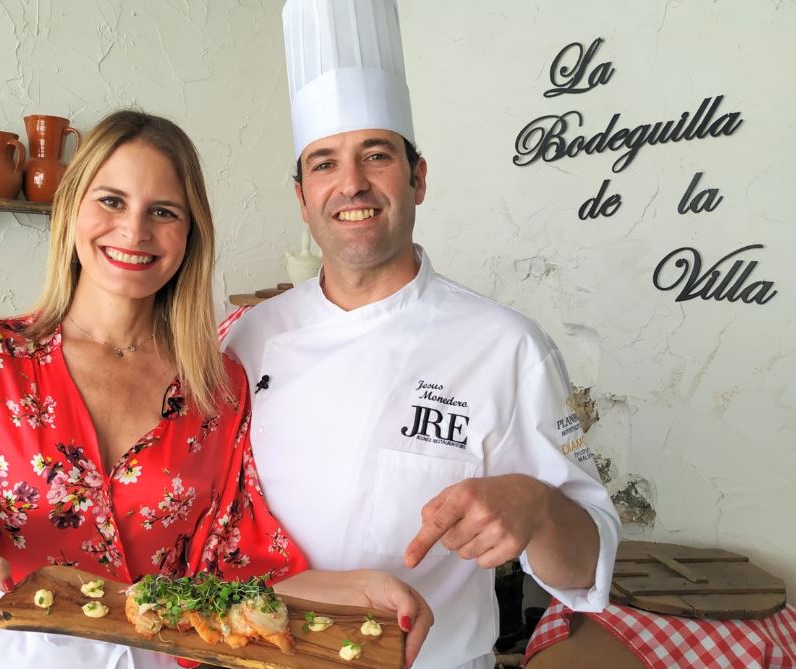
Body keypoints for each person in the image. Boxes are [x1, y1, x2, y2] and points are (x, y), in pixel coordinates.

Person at [0, 110, 432, 669]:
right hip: (4, 654)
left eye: (163, 211)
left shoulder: (215, 389)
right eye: (111, 201)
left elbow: (239, 570)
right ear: (73, 209)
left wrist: (356, 588)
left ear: (190, 234)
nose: (134, 231)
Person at [220, 2, 622, 668]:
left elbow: (586, 569)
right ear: (301, 198)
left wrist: (537, 506)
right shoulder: (244, 338)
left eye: (376, 155)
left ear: (418, 178)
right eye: (324, 163)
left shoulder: (507, 347)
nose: (351, 184)